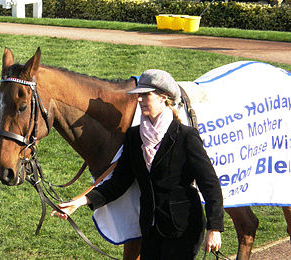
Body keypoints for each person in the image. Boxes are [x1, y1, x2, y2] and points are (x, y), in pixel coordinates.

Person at [51, 69, 224, 259]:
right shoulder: (134, 137)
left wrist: (214, 228)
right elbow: (118, 183)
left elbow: (210, 184)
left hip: (183, 229)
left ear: (163, 98)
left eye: (145, 95)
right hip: (150, 231)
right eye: (138, 95)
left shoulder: (185, 136)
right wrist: (79, 202)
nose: (139, 100)